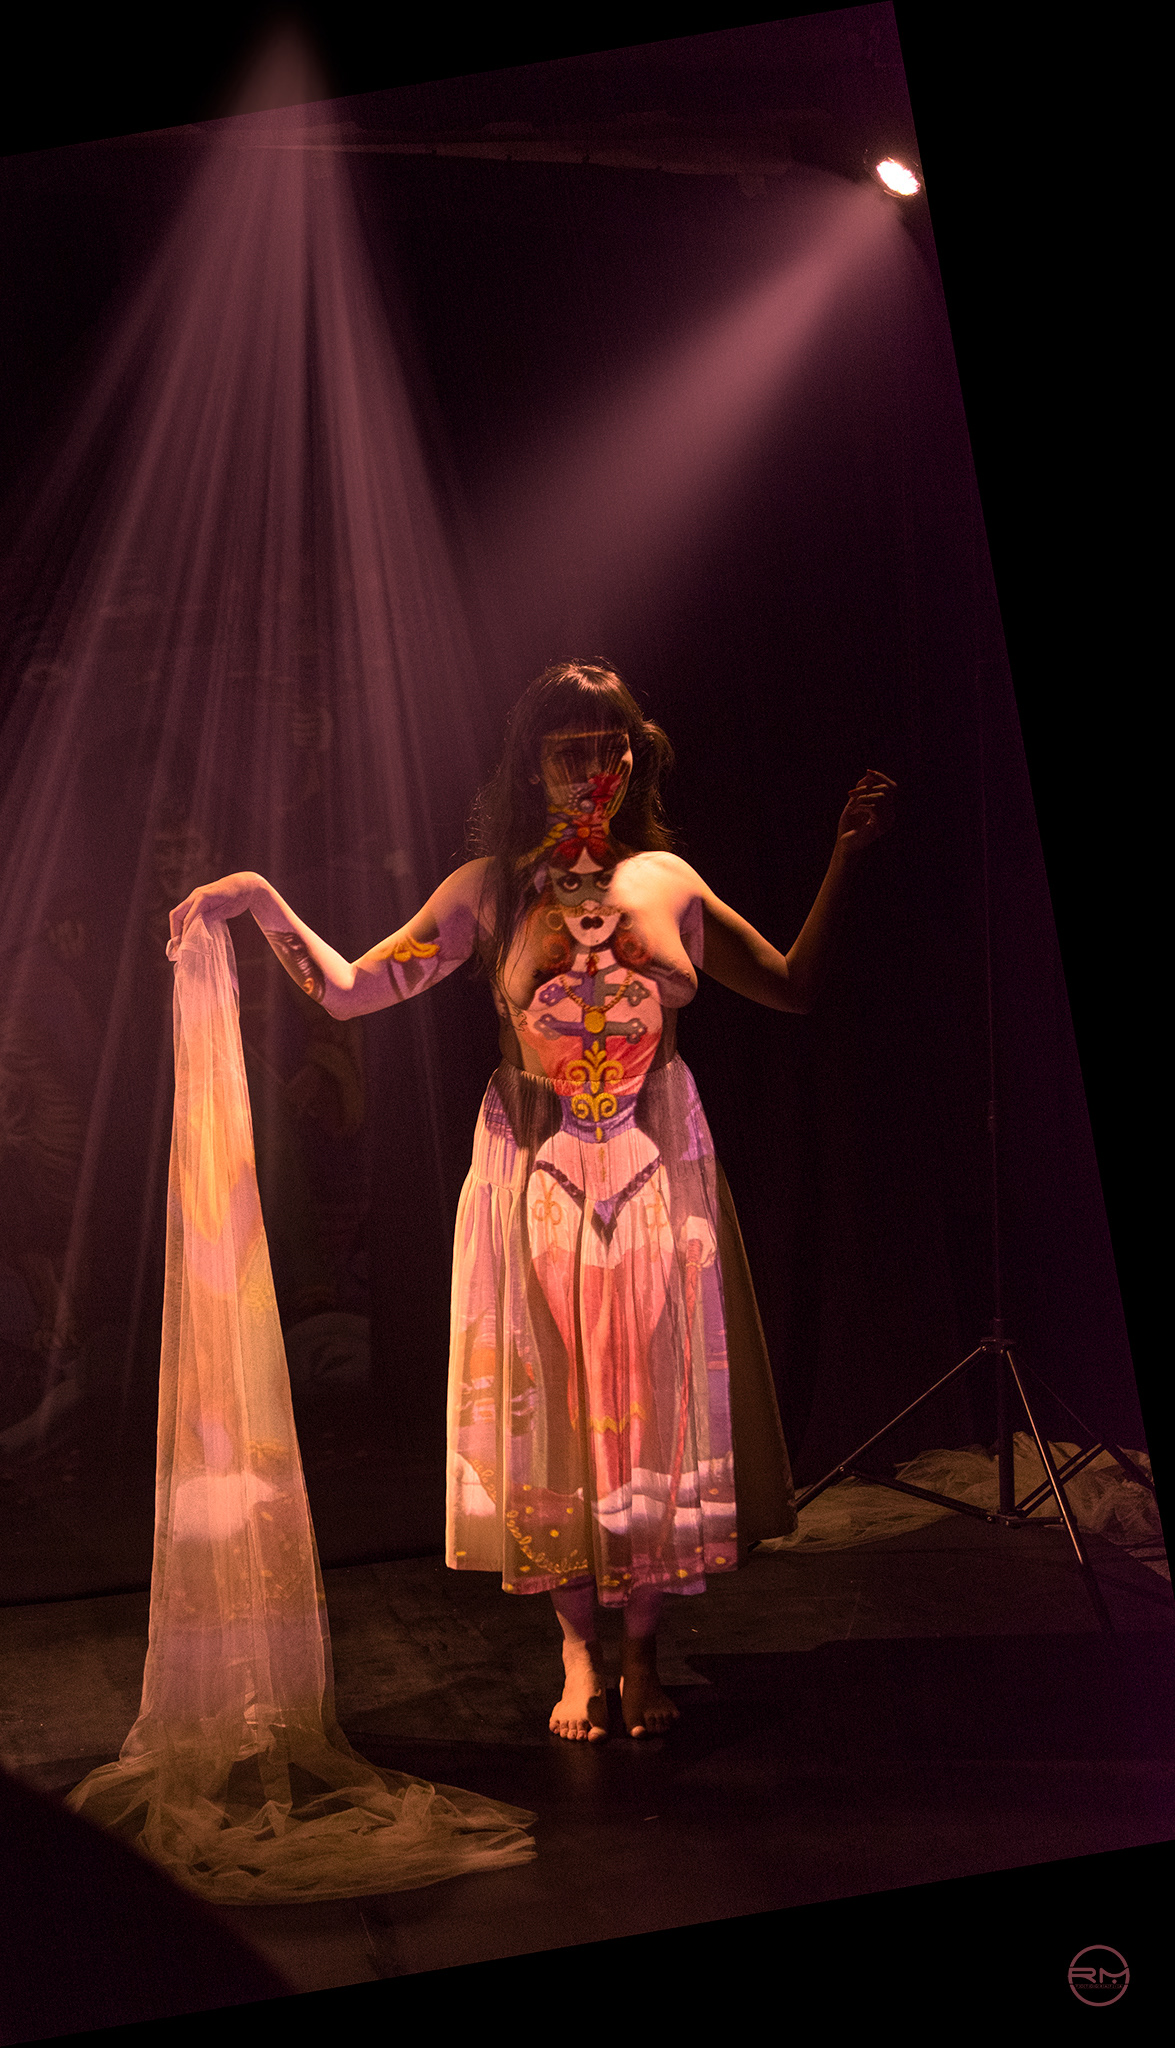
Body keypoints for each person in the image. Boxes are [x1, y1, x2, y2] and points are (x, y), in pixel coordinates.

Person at [171, 661, 895, 1744]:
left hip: (651, 1162)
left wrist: (842, 858)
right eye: (568, 748)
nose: (591, 766)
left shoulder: (667, 880)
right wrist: (257, 897)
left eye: (610, 744)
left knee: (646, 1405)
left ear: (635, 757)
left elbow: (789, 985)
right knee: (549, 1403)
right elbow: (350, 990)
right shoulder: (489, 891)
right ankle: (575, 1648)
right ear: (530, 765)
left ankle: (642, 1648)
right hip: (537, 1167)